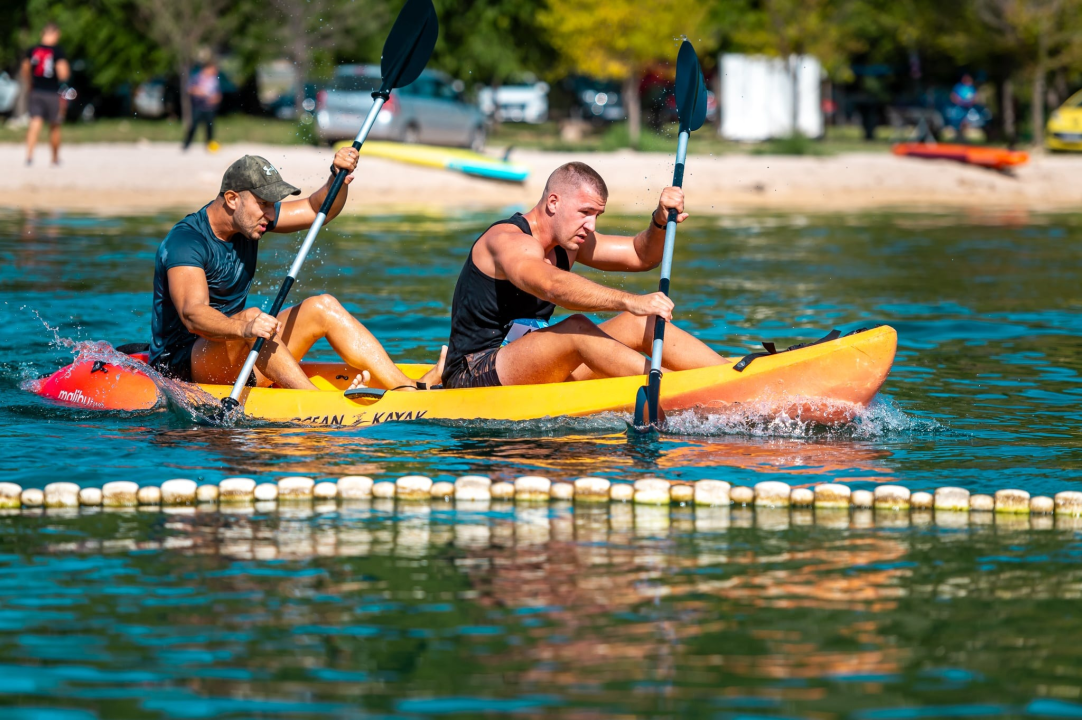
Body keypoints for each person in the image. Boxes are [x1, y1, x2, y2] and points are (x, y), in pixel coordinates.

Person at [151, 148, 446, 391]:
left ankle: (408, 389)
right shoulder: (186, 241)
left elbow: (319, 210)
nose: (270, 214)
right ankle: (315, 402)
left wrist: (337, 179)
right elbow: (193, 314)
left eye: (273, 205)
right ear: (232, 199)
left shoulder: (251, 220)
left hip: (239, 350)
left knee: (323, 307)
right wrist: (245, 326)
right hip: (184, 365)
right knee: (255, 318)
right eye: (264, 204)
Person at [442, 161, 728, 389]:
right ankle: (682, 390)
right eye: (585, 212)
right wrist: (628, 299)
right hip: (474, 374)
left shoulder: (569, 243)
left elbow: (641, 255)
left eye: (597, 215)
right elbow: (551, 285)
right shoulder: (507, 240)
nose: (591, 225)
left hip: (533, 360)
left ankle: (730, 376)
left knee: (641, 321)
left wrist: (659, 221)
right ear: (553, 203)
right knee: (577, 328)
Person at [22, 22, 70, 166]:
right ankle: (55, 158)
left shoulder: (32, 50)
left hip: (36, 91)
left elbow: (25, 69)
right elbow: (63, 73)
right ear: (55, 34)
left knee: (34, 123)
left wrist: (30, 82)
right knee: (55, 125)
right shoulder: (57, 51)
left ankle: (29, 157)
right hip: (52, 92)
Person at [183, 61, 221, 151]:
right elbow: (189, 89)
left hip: (210, 107)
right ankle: (187, 144)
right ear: (206, 69)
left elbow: (218, 93)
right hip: (198, 106)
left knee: (210, 127)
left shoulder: (214, 80)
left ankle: (209, 145)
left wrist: (215, 99)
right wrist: (200, 92)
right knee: (193, 126)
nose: (215, 71)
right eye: (213, 69)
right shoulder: (196, 77)